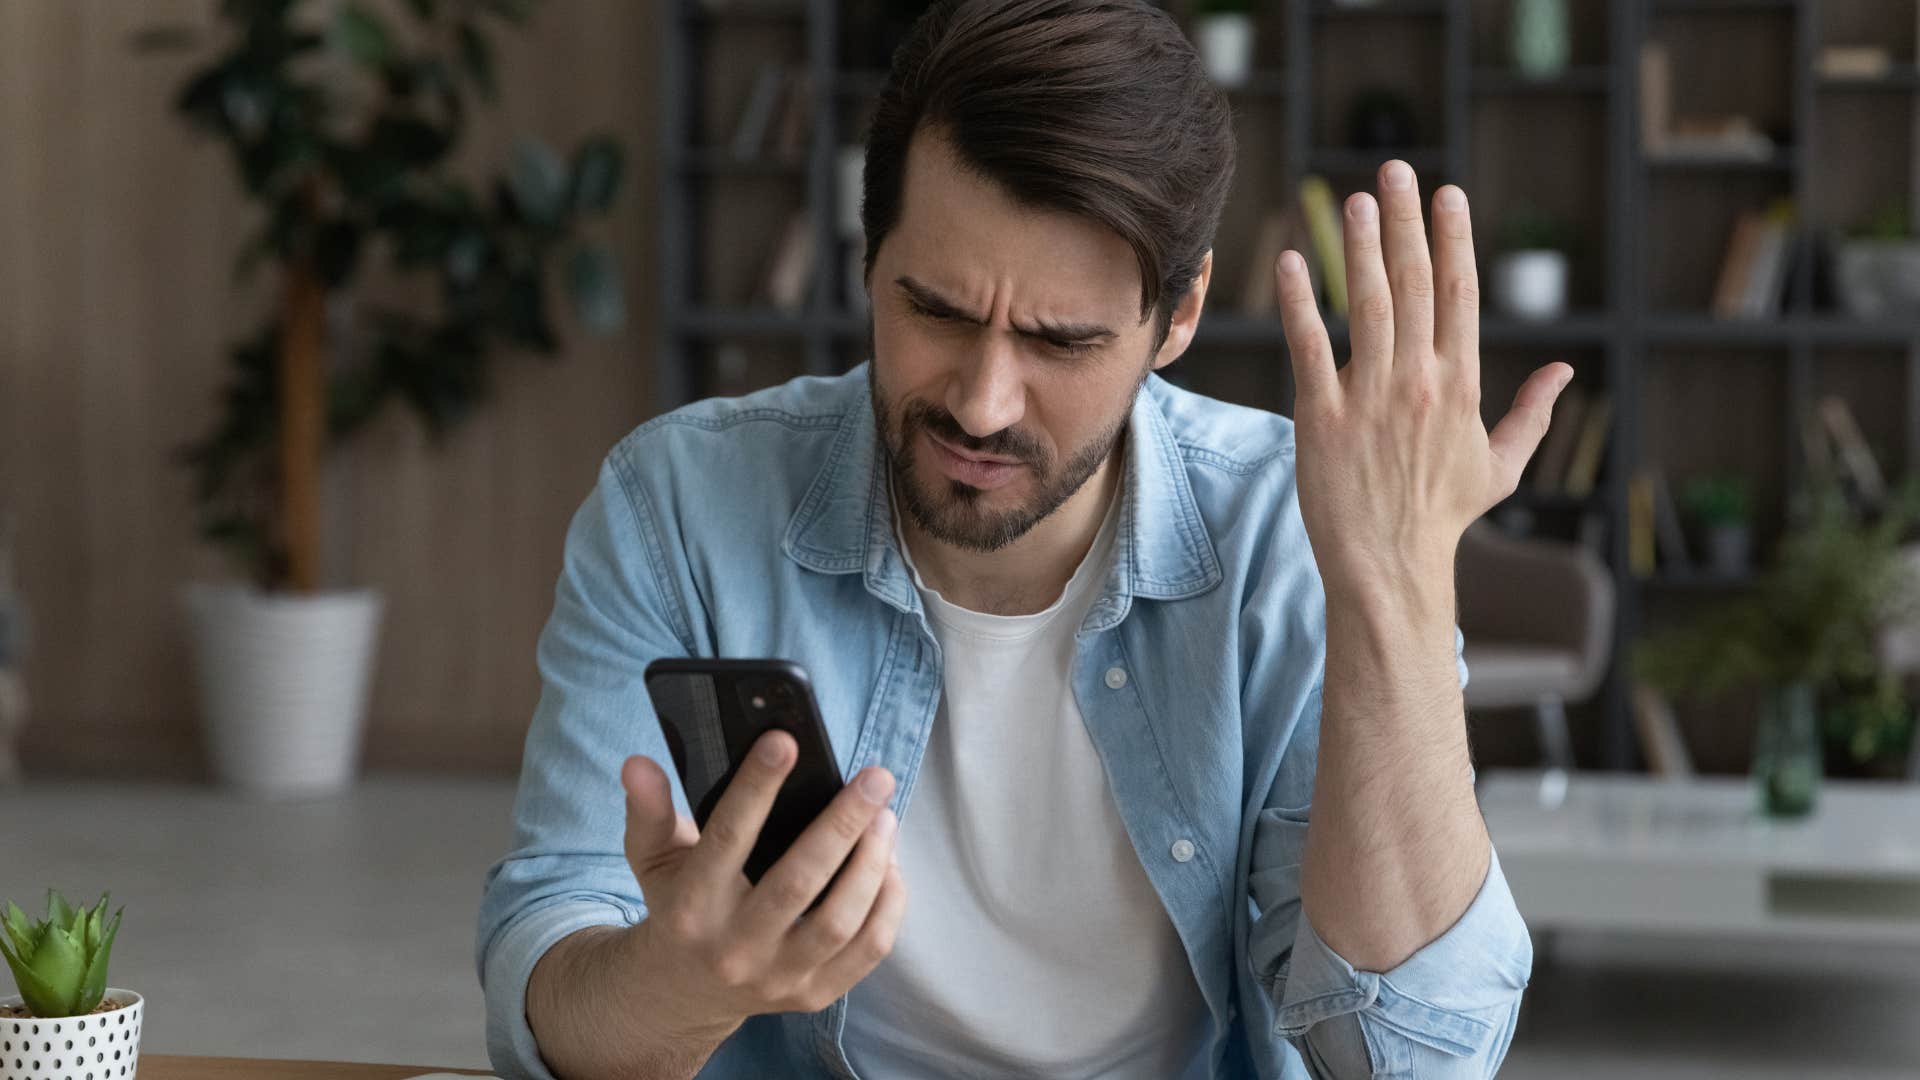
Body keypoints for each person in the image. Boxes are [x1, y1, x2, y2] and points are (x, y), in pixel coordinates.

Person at [476, 1, 1564, 1076]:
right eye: (938, 311)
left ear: (1176, 319)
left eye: (1061, 341)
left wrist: (1399, 589)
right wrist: (682, 982)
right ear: (869, 258)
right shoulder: (679, 503)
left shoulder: (1289, 534)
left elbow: (1405, 1062)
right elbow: (549, 983)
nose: (986, 403)